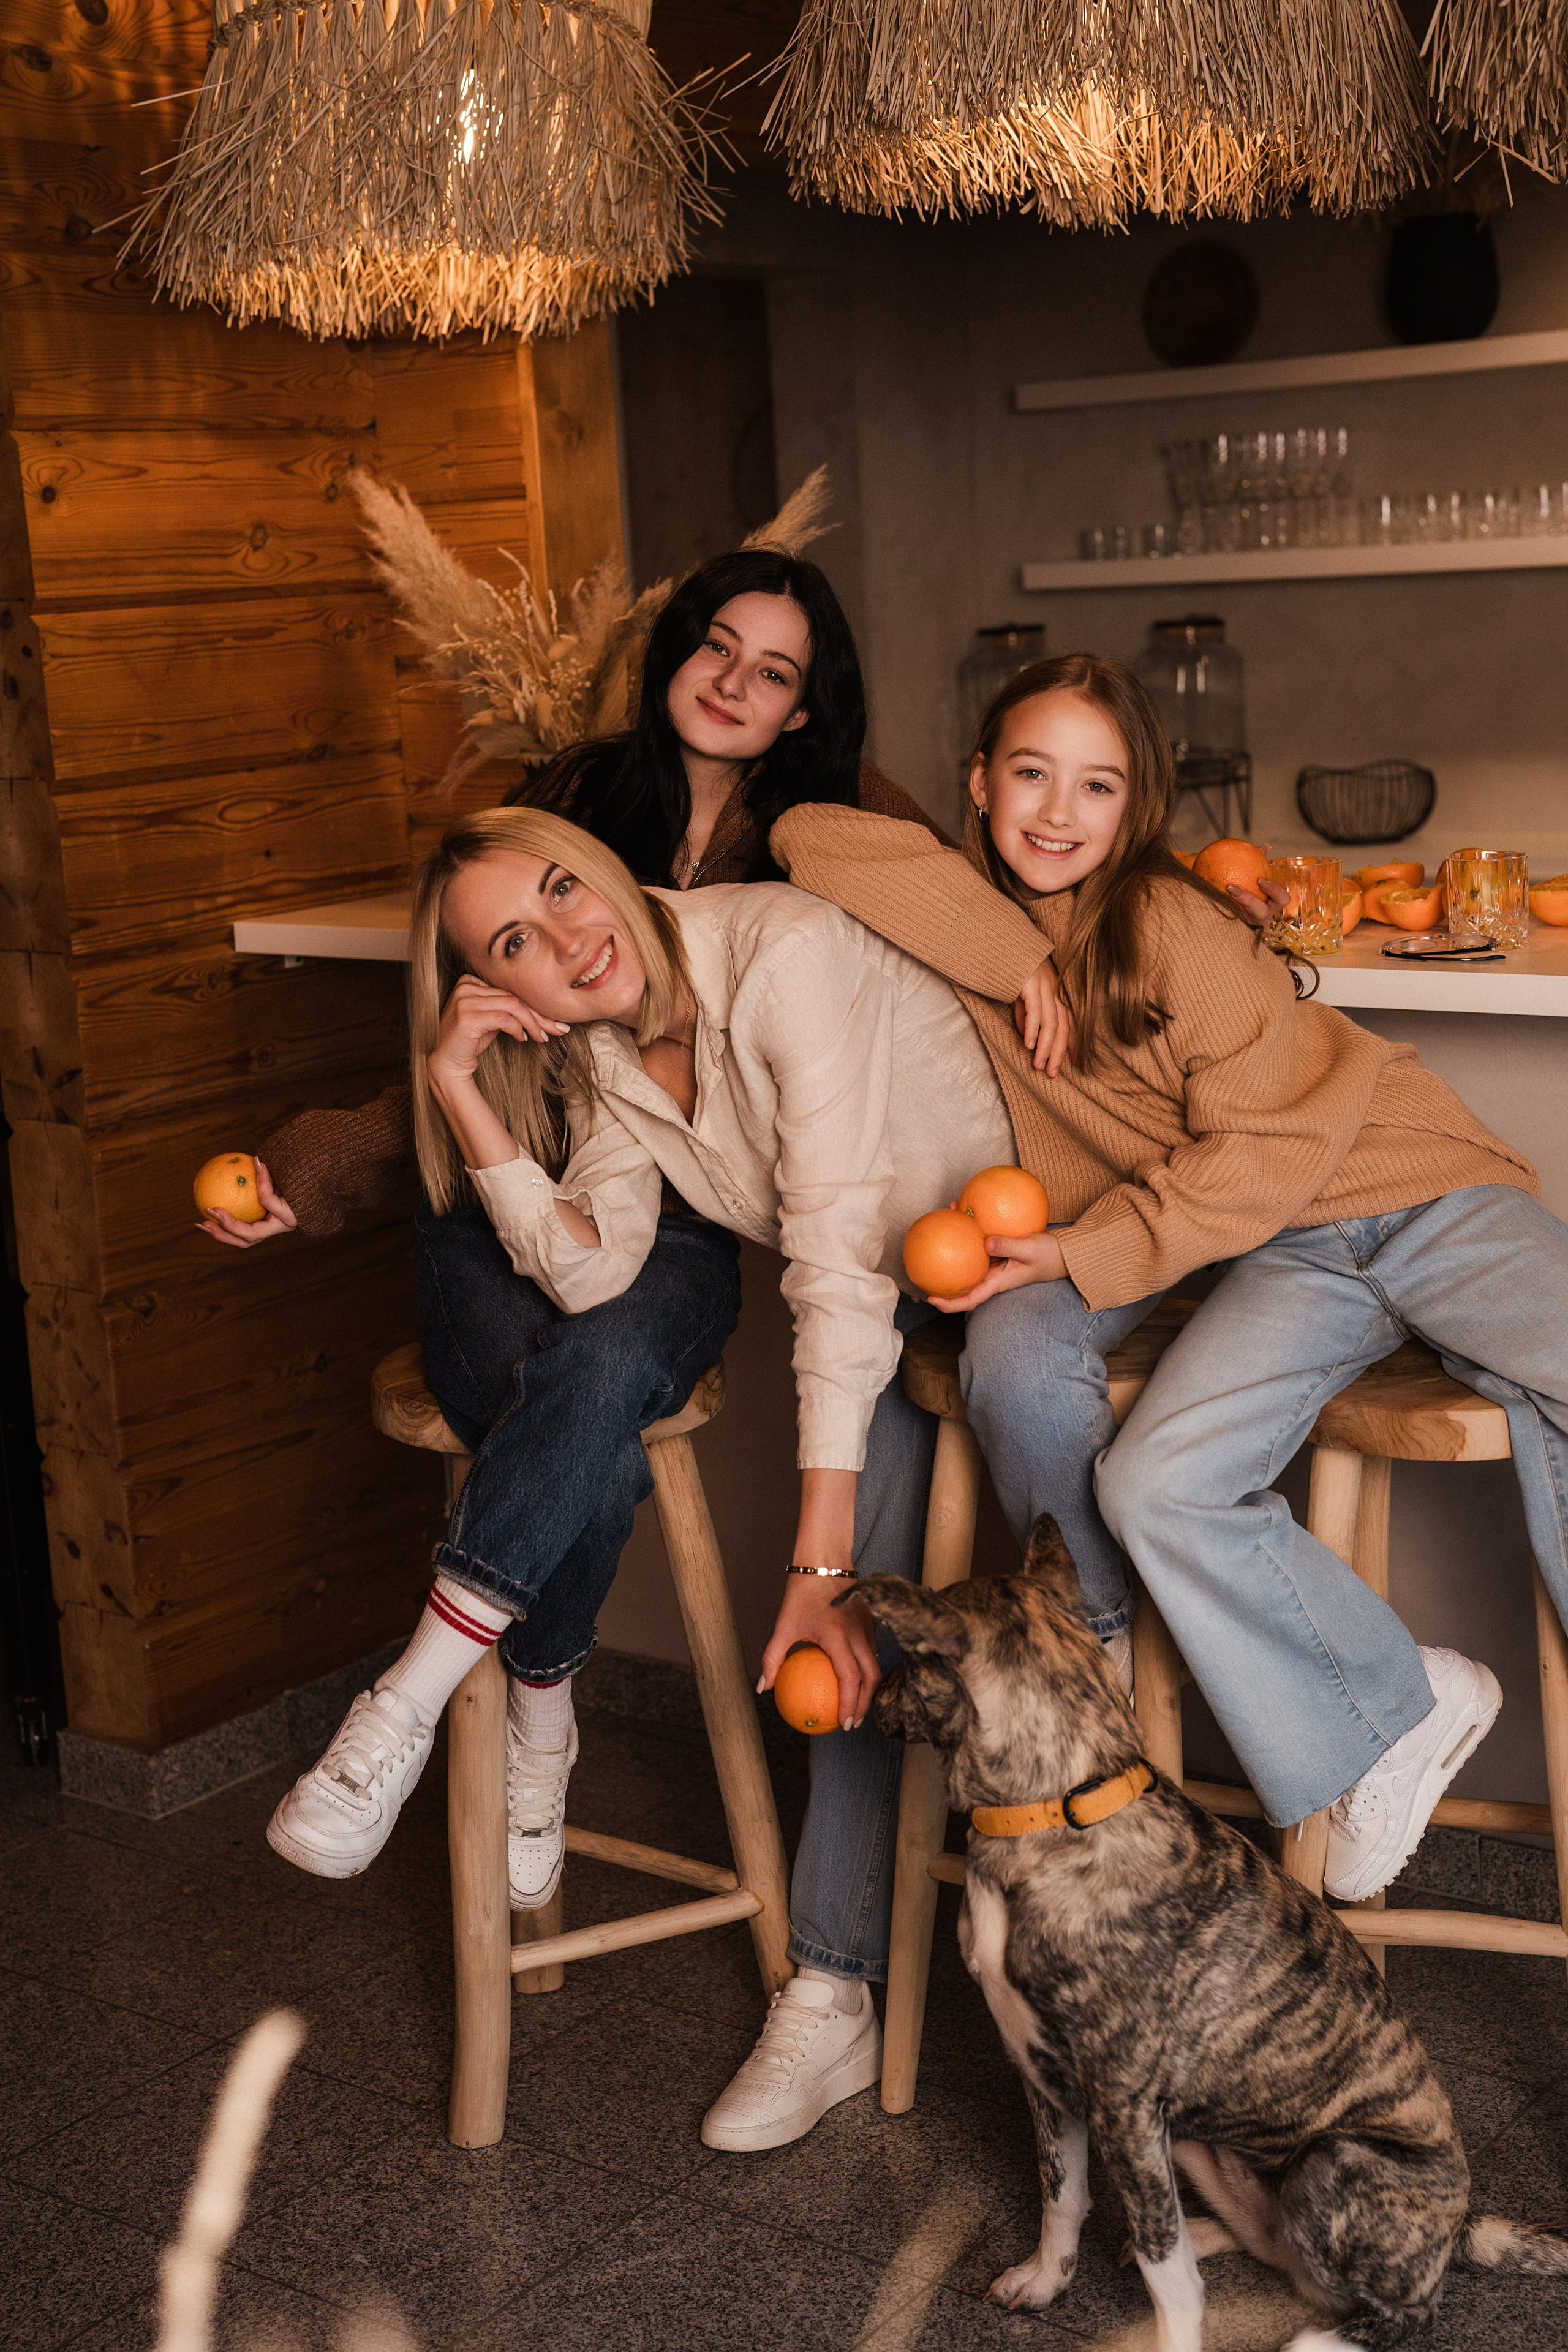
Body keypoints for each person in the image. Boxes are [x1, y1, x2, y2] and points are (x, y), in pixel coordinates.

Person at [205, 549, 1071, 2149]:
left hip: (984, 1257)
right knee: (660, 1441)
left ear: (806, 706)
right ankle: (786, 1939)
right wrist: (455, 1095)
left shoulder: (801, 895)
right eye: (512, 946)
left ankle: (881, 1959)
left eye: (774, 667)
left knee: (867, 1580)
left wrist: (814, 1557)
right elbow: (594, 1261)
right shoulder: (593, 1004)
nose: (555, 938)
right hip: (856, 1274)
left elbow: (833, 1252)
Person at [772, 650, 1567, 1905]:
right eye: (1029, 774)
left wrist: (1084, 1252)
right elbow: (809, 833)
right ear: (977, 782)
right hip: (1288, 1253)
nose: (1055, 812)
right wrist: (1014, 956)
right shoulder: (971, 924)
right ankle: (1397, 1706)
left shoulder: (1167, 922)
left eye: (1096, 787)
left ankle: (1374, 1718)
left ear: (1135, 806)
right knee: (1152, 1483)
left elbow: (1264, 1153)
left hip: (1417, 1188)